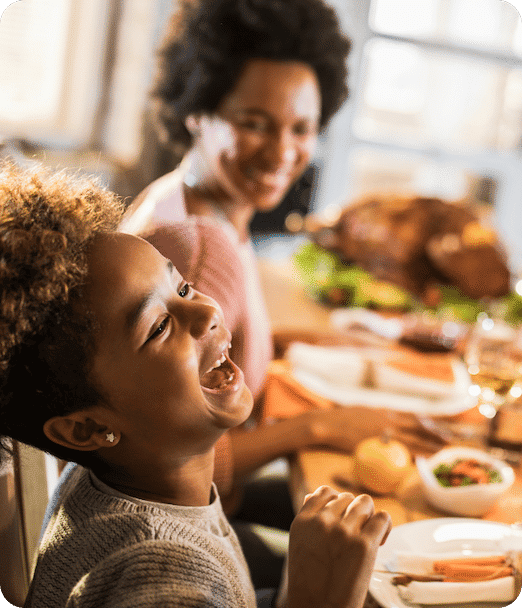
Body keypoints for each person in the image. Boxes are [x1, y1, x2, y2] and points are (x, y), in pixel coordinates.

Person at [120, 0, 447, 588]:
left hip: (204, 513)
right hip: (172, 542)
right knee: (397, 573)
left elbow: (228, 333)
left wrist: (321, 337)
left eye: (300, 129)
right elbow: (176, 464)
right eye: (253, 123)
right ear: (198, 111)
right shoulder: (198, 248)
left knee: (387, 524)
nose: (281, 153)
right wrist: (319, 427)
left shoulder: (209, 211)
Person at [0, 161, 392, 608]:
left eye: (182, 289)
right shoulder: (165, 575)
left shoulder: (107, 482)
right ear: (86, 429)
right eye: (159, 328)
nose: (206, 313)